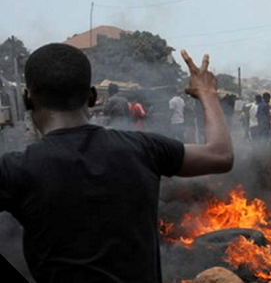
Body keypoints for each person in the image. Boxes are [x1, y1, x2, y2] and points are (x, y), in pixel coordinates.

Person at [0, 44, 233, 282]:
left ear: (27, 99)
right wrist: (207, 94)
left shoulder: (15, 169)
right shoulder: (143, 148)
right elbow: (220, 155)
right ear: (92, 97)